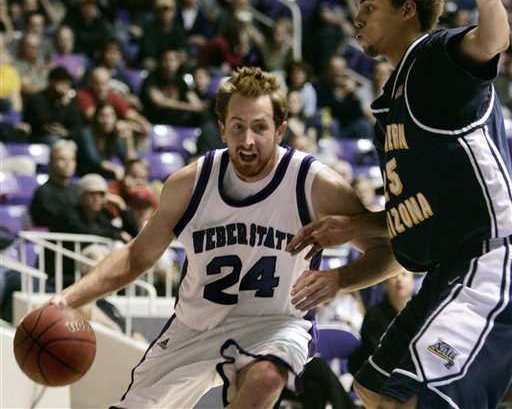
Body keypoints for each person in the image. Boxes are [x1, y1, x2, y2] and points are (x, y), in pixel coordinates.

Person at [50, 66, 399, 409]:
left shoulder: (314, 184)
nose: (247, 140)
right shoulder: (190, 184)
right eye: (238, 127)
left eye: (260, 128)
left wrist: (340, 279)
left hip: (276, 323)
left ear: (280, 130)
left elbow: (390, 252)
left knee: (266, 377)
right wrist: (67, 299)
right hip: (195, 327)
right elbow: (134, 257)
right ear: (222, 129)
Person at [287, 0, 512, 409]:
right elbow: (406, 229)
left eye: (369, 4)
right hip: (451, 269)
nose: (358, 16)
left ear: (407, 9)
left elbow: (489, 42)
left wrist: (488, 1)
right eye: (357, 5)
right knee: (372, 390)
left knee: (414, 401)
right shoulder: (395, 104)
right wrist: (351, 235)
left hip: (492, 261)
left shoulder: (432, 61)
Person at [348, 269, 415, 375]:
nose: (399, 279)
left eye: (404, 275)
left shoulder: (422, 313)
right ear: (385, 282)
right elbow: (378, 353)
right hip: (379, 373)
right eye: (394, 276)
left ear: (413, 280)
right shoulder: (374, 315)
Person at [30, 139, 80, 228]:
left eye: (72, 159)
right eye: (62, 159)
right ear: (51, 162)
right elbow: (59, 222)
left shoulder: (77, 190)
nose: (68, 164)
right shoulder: (43, 193)